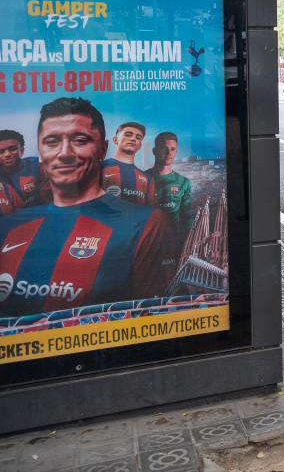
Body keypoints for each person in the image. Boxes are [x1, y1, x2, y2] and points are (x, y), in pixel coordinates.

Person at [0, 98, 174, 317]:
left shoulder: (145, 224)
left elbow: (154, 322)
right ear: (40, 151)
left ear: (103, 149)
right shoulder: (7, 227)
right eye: (52, 141)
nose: (64, 153)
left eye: (80, 140)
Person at [150, 131, 193, 242]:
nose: (169, 153)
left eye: (172, 149)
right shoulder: (141, 178)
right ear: (154, 151)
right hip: (148, 241)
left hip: (173, 242)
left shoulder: (183, 182)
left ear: (176, 152)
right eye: (164, 148)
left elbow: (186, 215)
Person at [101, 121, 156, 205]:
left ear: (140, 146)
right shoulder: (97, 168)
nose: (133, 139)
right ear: (115, 140)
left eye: (138, 137)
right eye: (128, 135)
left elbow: (152, 212)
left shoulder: (148, 179)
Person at [0, 129, 43, 206]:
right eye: (1, 152)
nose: (7, 154)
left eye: (12, 149)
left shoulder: (38, 166)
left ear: (22, 150)